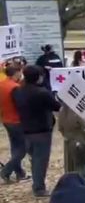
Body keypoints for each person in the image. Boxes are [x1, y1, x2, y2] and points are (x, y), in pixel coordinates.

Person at [12, 65, 61, 196]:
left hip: (26, 129)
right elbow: (57, 107)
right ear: (38, 77)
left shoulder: (18, 91)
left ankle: (36, 183)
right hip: (42, 130)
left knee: (34, 159)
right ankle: (39, 188)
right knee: (41, 160)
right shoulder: (42, 92)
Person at [0, 63, 28, 183]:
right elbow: (21, 105)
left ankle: (19, 173)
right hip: (16, 120)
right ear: (16, 73)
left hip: (6, 119)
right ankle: (6, 171)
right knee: (22, 149)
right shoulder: (15, 87)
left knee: (15, 147)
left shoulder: (2, 85)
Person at [56, 100, 85, 173]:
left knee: (69, 164)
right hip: (80, 140)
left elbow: (60, 128)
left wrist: (66, 135)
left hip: (68, 141)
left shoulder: (61, 110)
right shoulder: (77, 111)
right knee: (81, 164)